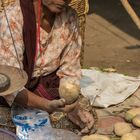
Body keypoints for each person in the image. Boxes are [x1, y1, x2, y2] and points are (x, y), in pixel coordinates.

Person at [0, 0, 94, 134]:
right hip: (14, 89)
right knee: (13, 125)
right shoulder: (12, 18)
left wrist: (70, 103)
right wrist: (46, 105)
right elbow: (9, 85)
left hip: (48, 85)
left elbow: (70, 70)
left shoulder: (69, 17)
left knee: (84, 112)